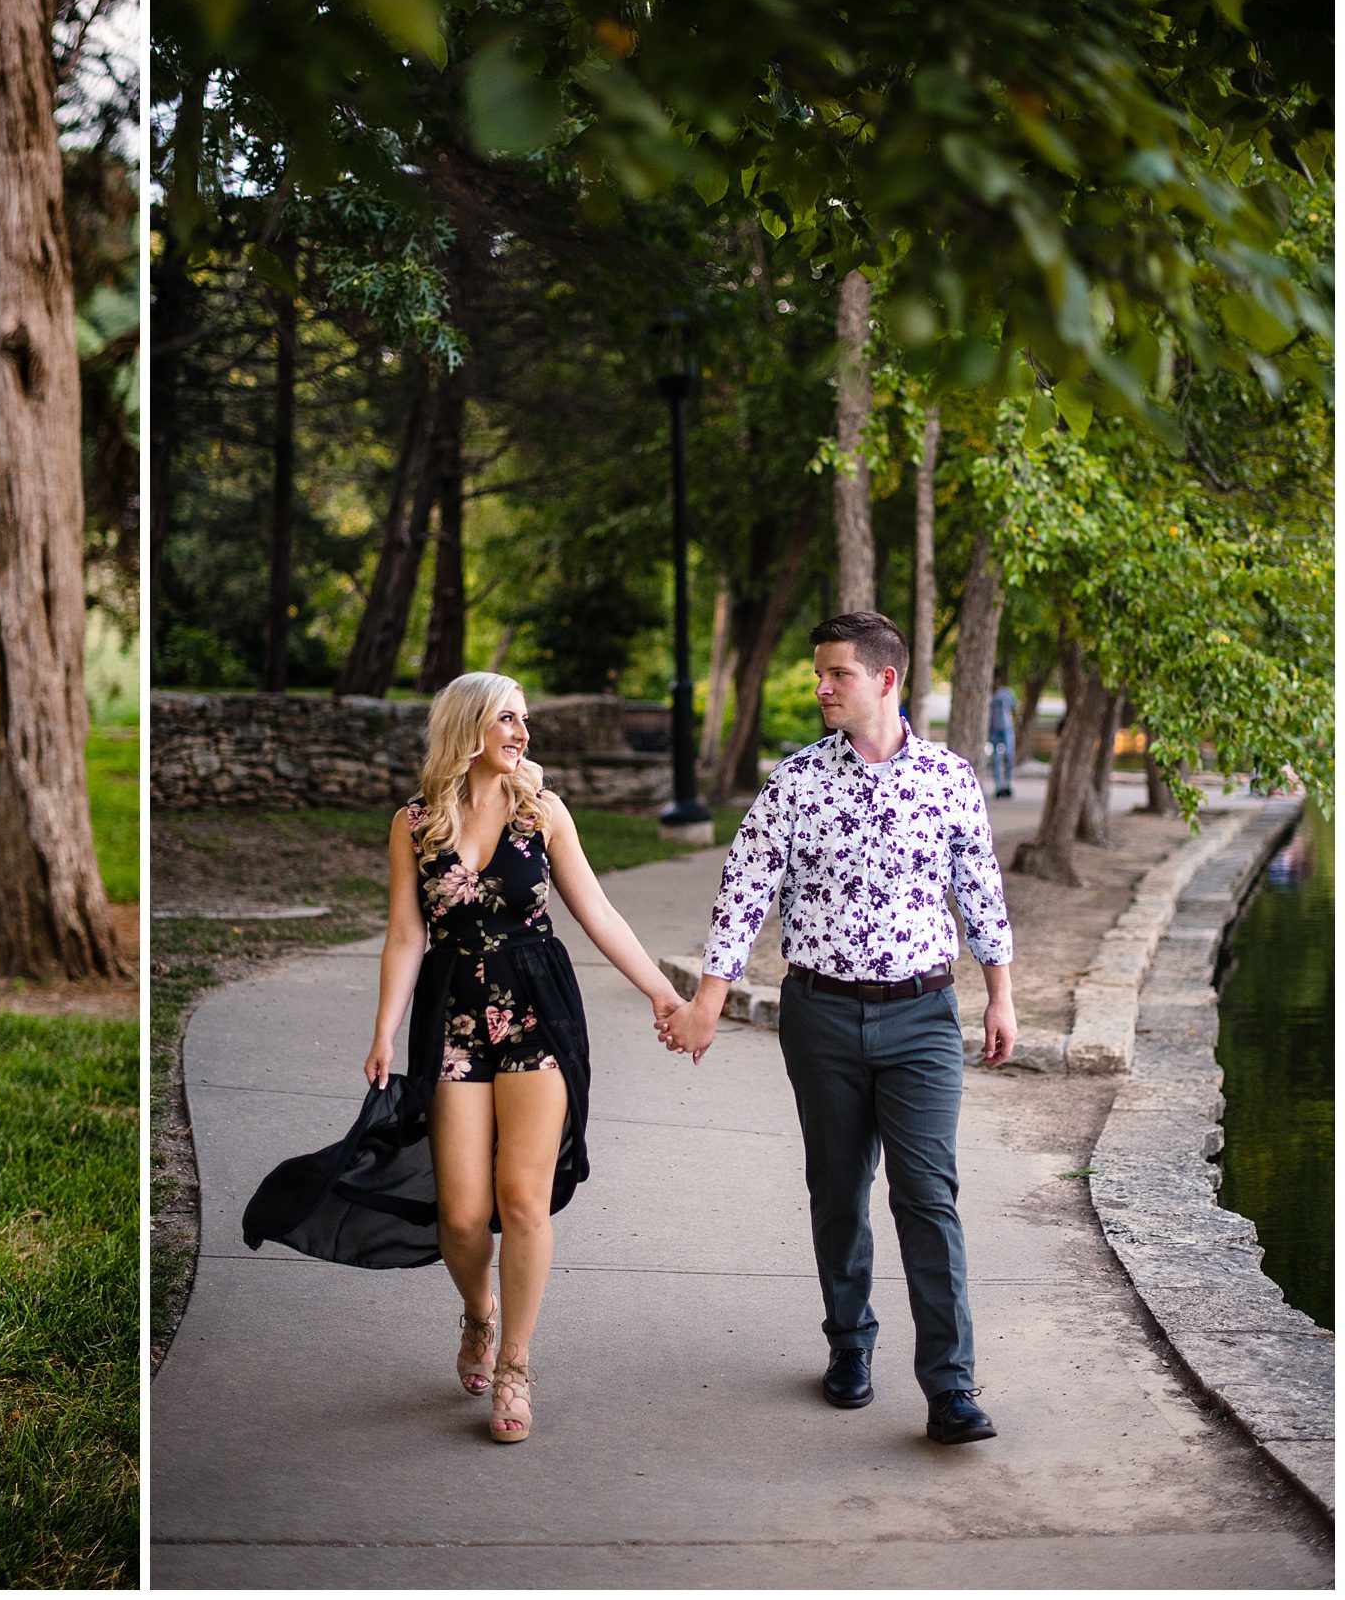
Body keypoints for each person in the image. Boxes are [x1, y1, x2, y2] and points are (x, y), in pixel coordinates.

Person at [242, 671, 688, 1444]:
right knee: (462, 1214)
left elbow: (598, 910)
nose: (522, 732)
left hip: (536, 1012)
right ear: (468, 727)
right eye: (507, 719)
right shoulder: (415, 823)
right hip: (451, 1016)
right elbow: (407, 933)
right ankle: (478, 1314)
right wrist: (383, 1032)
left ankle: (514, 1367)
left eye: (525, 720)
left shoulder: (541, 813)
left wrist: (661, 991)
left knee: (522, 1201)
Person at [660, 611, 1017, 1446]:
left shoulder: (951, 778)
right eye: (818, 673)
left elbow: (981, 891)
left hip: (925, 1017)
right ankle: (849, 1344)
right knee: (838, 1190)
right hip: (820, 1015)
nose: (820, 686)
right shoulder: (794, 784)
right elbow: (742, 890)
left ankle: (951, 1387)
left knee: (928, 1197)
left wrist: (1001, 994)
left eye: (836, 674)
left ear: (886, 680)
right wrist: (709, 999)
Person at [987, 674, 1018, 798]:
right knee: (996, 759)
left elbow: (1014, 710)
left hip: (1007, 730)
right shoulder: (988, 694)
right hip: (994, 731)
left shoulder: (1006, 693)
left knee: (1009, 757)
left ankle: (1007, 784)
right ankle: (999, 786)